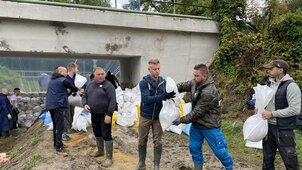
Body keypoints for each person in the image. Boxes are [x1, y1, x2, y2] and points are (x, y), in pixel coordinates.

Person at [172, 64, 233, 170]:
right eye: (193, 75)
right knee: (194, 148)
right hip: (197, 126)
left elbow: (197, 113)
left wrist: (181, 120)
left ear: (204, 76)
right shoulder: (195, 83)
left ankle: (229, 167)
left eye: (196, 76)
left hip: (210, 127)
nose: (194, 78)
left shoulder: (209, 92)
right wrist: (170, 89)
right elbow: (183, 86)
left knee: (220, 151)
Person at [134, 59, 175, 170]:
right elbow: (147, 99)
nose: (157, 71)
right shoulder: (144, 82)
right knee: (142, 140)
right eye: (154, 69)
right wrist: (164, 96)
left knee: (158, 142)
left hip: (158, 117)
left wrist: (173, 93)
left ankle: (156, 165)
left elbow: (169, 93)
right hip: (145, 116)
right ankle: (141, 163)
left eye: (158, 69)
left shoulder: (163, 82)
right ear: (149, 69)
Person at [262, 60, 301, 170]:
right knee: (267, 159)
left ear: (280, 70)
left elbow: (295, 109)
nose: (268, 70)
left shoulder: (291, 86)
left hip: (284, 129)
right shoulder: (270, 84)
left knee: (290, 160)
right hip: (268, 127)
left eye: (271, 68)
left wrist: (272, 114)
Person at [82, 67, 116, 167]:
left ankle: (109, 158)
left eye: (102, 74)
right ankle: (100, 151)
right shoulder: (90, 84)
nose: (101, 76)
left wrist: (109, 114)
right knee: (97, 133)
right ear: (94, 75)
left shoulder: (108, 86)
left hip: (105, 115)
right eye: (98, 74)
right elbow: (84, 96)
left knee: (106, 135)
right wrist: (85, 104)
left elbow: (112, 101)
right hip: (94, 114)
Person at [46, 66, 78, 155]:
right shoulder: (62, 80)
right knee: (60, 125)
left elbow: (61, 93)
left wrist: (70, 92)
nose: (66, 73)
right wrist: (77, 88)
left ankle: (56, 143)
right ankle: (59, 146)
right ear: (60, 72)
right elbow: (73, 88)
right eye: (65, 72)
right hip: (58, 106)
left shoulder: (52, 80)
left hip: (51, 105)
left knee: (56, 125)